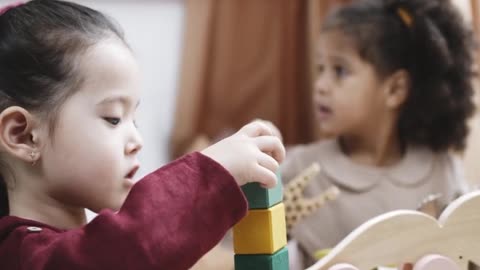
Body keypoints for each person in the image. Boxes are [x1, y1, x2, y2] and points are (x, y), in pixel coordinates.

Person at [0, 1, 285, 269]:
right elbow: (128, 246)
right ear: (23, 135)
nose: (137, 141)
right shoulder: (22, 255)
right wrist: (212, 172)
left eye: (133, 120)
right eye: (113, 118)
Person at [281, 0, 475, 267]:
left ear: (395, 89)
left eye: (340, 70)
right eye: (319, 69)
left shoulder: (441, 171)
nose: (321, 86)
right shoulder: (301, 171)